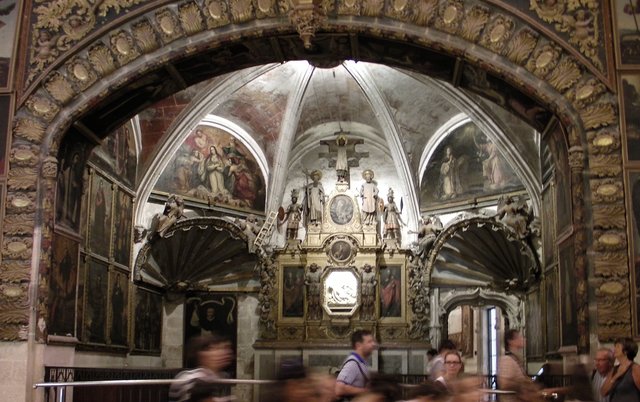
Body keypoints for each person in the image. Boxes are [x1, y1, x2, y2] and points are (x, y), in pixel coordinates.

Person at [169, 334, 234, 402]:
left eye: (226, 348)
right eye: (215, 348)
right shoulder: (193, 379)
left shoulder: (215, 377)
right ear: (201, 354)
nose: (225, 352)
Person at [498, 329, 546, 402]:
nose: (524, 339)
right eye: (520, 337)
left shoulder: (516, 359)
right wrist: (524, 384)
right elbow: (504, 384)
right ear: (511, 341)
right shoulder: (507, 360)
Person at [335, 329, 378, 400]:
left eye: (373, 341)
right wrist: (366, 391)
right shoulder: (352, 363)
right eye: (369, 342)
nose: (373, 344)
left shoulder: (360, 362)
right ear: (358, 345)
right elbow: (339, 389)